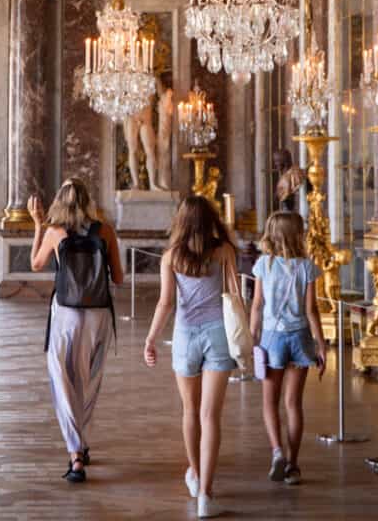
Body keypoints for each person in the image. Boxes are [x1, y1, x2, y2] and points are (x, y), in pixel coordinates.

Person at [144, 195, 238, 519]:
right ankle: (206, 496)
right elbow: (235, 296)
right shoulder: (224, 251)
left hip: (186, 335)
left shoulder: (171, 257)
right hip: (219, 334)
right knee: (211, 416)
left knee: (190, 411)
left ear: (180, 221)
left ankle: (196, 476)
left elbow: (165, 303)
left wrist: (151, 338)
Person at [28, 180, 123, 483]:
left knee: (62, 379)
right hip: (99, 314)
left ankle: (75, 456)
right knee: (89, 381)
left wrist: (36, 226)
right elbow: (118, 278)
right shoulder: (105, 231)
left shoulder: (55, 232)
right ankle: (81, 441)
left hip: (67, 314)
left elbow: (35, 264)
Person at [250, 211, 327, 486]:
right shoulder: (306, 267)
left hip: (272, 339)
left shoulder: (263, 265)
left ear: (271, 234)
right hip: (300, 338)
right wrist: (321, 344)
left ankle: (277, 451)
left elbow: (257, 305)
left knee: (270, 402)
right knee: (293, 404)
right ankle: (293, 466)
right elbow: (311, 310)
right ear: (298, 234)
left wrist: (252, 337)